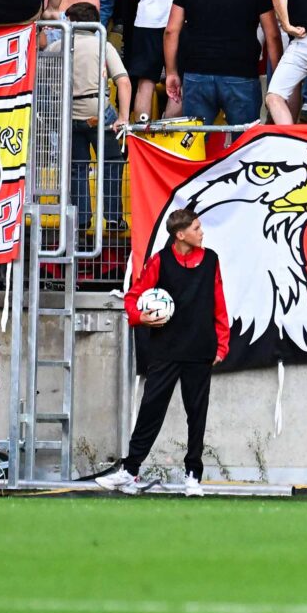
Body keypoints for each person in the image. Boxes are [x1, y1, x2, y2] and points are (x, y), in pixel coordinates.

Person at [103, 203, 229, 496]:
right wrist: (139, 316)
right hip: (166, 350)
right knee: (150, 410)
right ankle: (130, 472)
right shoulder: (160, 261)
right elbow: (134, 297)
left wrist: (222, 344)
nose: (202, 232)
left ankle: (193, 477)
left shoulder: (211, 260)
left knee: (197, 414)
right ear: (181, 235)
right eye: (196, 229)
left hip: (200, 350)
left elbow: (219, 304)